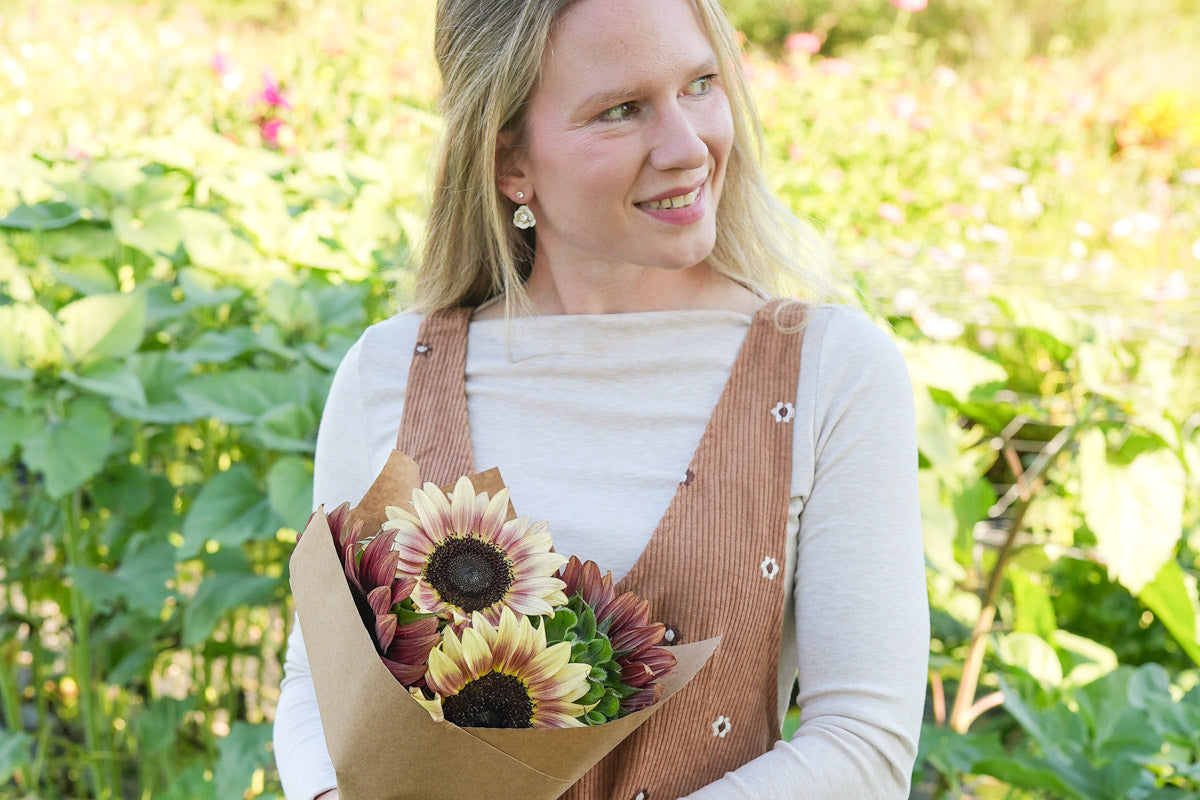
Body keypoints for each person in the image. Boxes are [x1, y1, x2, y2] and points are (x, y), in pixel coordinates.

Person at [273, 0, 929, 797]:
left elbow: (863, 741)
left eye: (700, 85)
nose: (688, 147)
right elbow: (315, 685)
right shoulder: (388, 372)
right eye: (620, 111)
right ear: (509, 159)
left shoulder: (831, 371)